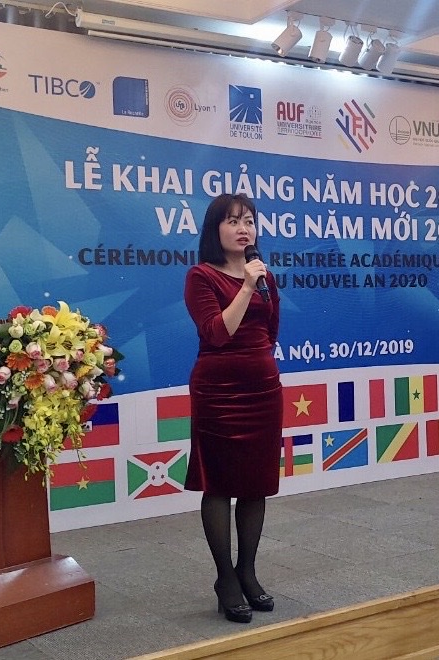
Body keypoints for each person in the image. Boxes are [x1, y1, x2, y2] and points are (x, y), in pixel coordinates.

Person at [183, 193, 282, 624]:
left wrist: (254, 282)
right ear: (215, 229)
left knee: (255, 484)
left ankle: (248, 571)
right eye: (233, 221)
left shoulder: (265, 276)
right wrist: (244, 286)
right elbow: (217, 333)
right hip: (218, 392)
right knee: (220, 483)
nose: (244, 229)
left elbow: (270, 331)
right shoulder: (200, 276)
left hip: (262, 389)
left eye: (249, 221)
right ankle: (225, 578)